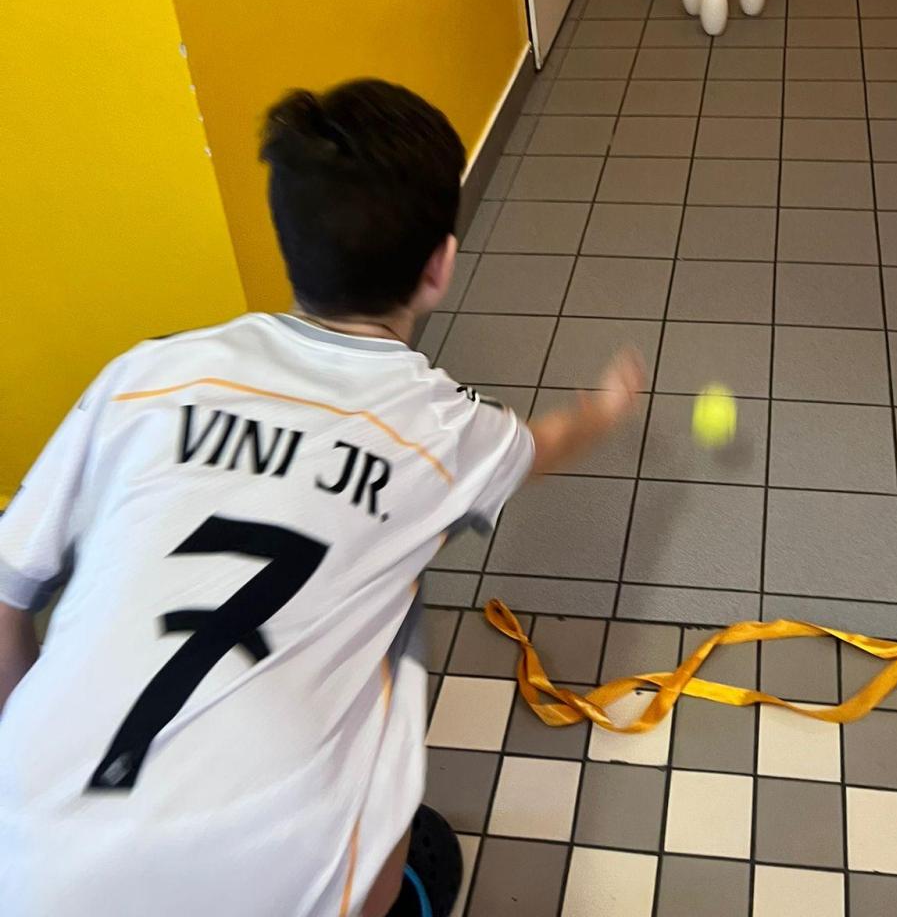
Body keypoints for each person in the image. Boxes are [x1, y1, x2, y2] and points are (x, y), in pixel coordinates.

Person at [0, 79, 645, 916]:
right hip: (272, 876)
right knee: (388, 751)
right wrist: (606, 409)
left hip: (25, 854)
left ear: (287, 241)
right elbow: (542, 446)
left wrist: (33, 749)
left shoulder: (146, 376)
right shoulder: (445, 431)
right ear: (441, 265)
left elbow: (8, 587)